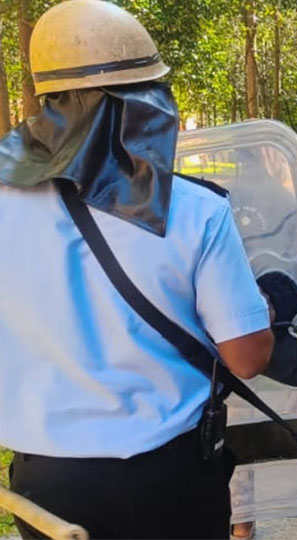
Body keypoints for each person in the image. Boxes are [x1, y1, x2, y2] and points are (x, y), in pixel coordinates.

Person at [0, 1, 274, 538]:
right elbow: (247, 357)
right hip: (170, 477)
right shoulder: (197, 210)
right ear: (147, 104)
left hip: (45, 487)